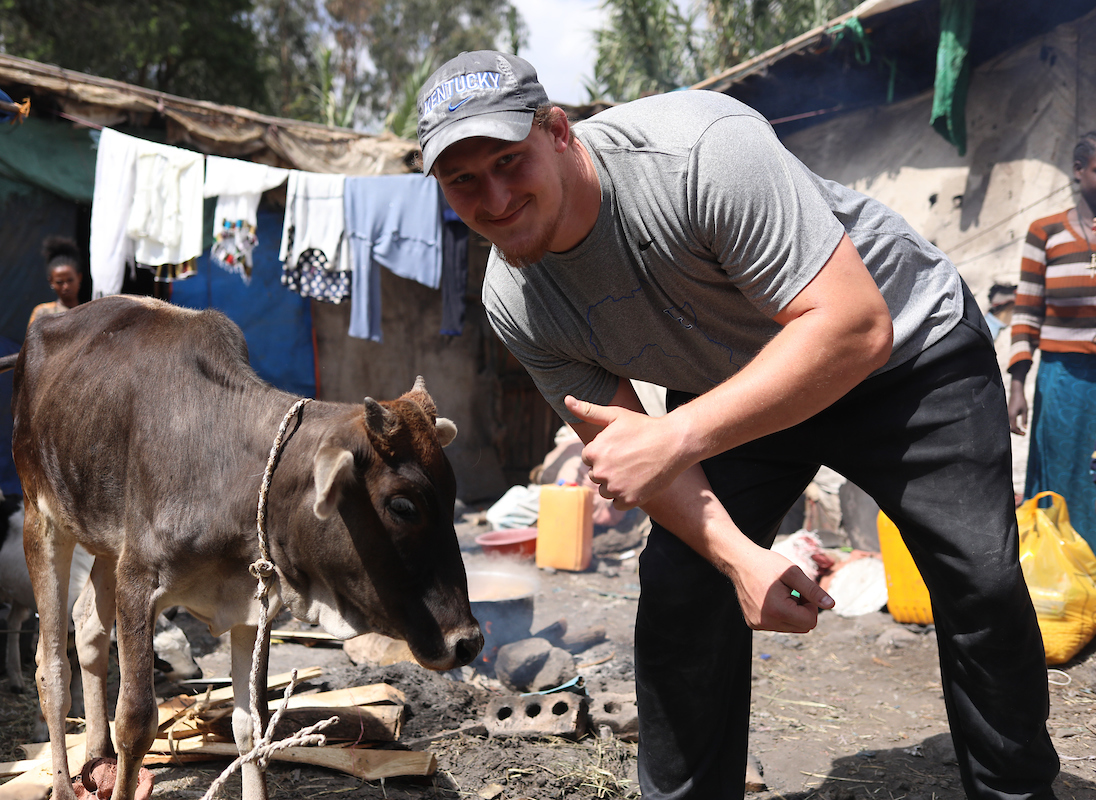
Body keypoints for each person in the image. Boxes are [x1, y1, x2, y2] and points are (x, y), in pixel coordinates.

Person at [416, 51, 1059, 800]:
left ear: (558, 131)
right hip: (736, 385)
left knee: (977, 581)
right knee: (682, 588)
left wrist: (679, 436)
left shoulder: (698, 153)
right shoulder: (515, 303)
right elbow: (637, 456)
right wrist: (740, 558)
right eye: (464, 180)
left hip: (904, 352)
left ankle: (1016, 791)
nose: (494, 199)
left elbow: (854, 327)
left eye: (509, 159)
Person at [1008, 132, 1096, 547]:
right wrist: (1018, 385)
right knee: (1063, 471)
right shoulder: (1046, 232)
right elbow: (1026, 311)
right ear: (1079, 172)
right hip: (1063, 380)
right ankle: (1067, 574)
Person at [28, 236, 84, 327]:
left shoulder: (89, 312)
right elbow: (32, 340)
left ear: (79, 277)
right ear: (51, 282)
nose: (66, 286)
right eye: (59, 282)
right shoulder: (43, 313)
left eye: (70, 280)